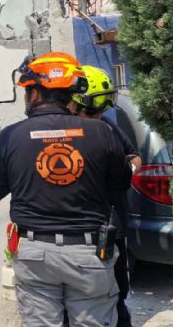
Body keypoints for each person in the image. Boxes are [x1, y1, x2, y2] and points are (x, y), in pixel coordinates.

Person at [0, 52, 132, 327]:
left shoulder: (10, 136)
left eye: (27, 92)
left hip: (34, 255)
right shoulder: (101, 132)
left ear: (35, 94)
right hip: (89, 254)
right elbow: (120, 184)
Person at [69, 65, 140, 327]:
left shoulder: (107, 126)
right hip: (77, 233)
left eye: (106, 103)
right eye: (95, 106)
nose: (99, 113)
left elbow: (134, 157)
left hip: (113, 227)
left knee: (118, 294)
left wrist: (126, 170)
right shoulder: (63, 134)